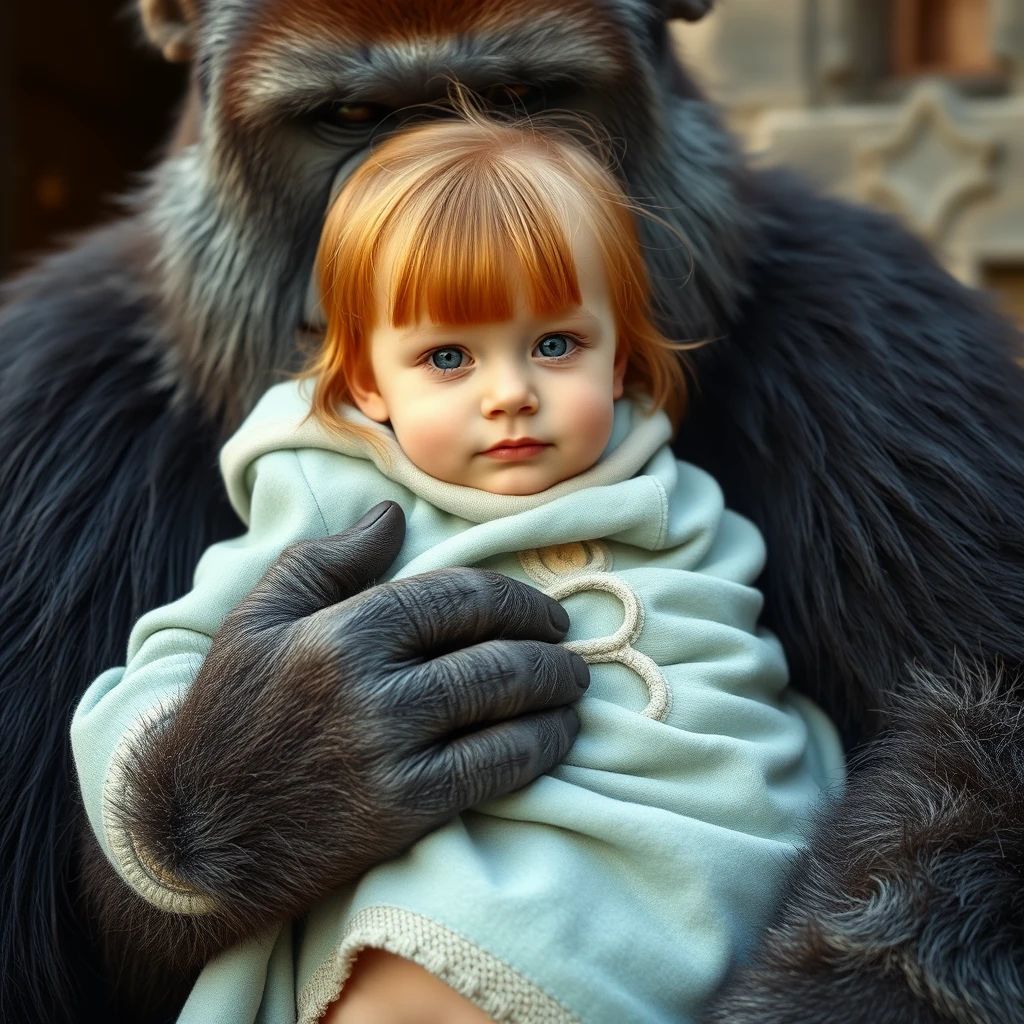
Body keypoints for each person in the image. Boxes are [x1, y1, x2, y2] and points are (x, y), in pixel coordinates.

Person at [71, 108, 844, 1024]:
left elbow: (740, 669)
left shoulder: (675, 488)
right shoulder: (336, 494)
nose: (511, 391)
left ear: (620, 353)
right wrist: (177, 792)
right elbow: (175, 656)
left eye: (556, 344)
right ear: (368, 384)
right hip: (457, 865)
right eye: (447, 356)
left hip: (674, 862)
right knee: (407, 982)